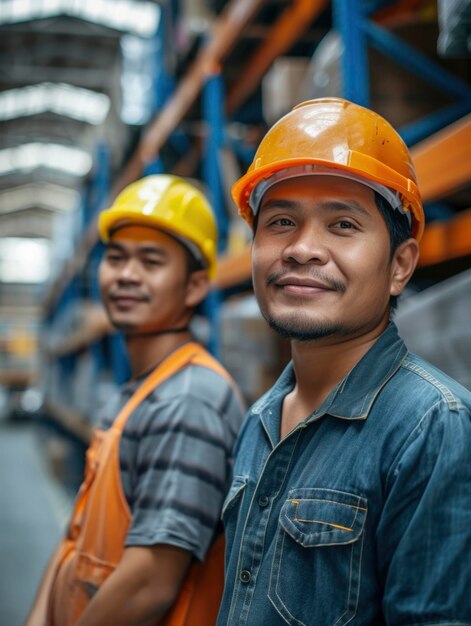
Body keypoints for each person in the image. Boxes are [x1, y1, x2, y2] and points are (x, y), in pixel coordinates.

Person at [216, 98, 471, 626]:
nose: (303, 249)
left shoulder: (432, 428)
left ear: (400, 265)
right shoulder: (259, 419)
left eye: (343, 225)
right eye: (282, 221)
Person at [25, 175, 245, 626]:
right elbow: (77, 535)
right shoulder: (137, 391)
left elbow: (148, 584)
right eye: (116, 258)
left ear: (195, 286)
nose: (126, 275)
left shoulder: (189, 400)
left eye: (150, 260)